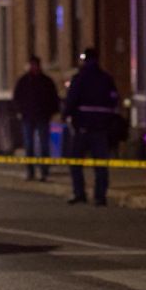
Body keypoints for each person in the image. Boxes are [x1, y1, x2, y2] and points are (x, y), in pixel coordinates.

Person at [63, 47, 119, 206]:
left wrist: (66, 115)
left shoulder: (79, 78)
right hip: (100, 127)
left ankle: (79, 192)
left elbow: (71, 100)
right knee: (100, 164)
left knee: (75, 162)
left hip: (82, 127)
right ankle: (100, 196)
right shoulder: (106, 79)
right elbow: (114, 100)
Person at [13, 55, 60, 181]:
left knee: (44, 144)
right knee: (29, 145)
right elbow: (17, 98)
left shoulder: (46, 81)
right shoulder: (24, 81)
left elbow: (53, 97)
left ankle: (44, 171)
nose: (34, 68)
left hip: (42, 117)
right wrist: (20, 111)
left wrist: (51, 112)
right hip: (28, 117)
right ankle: (30, 171)